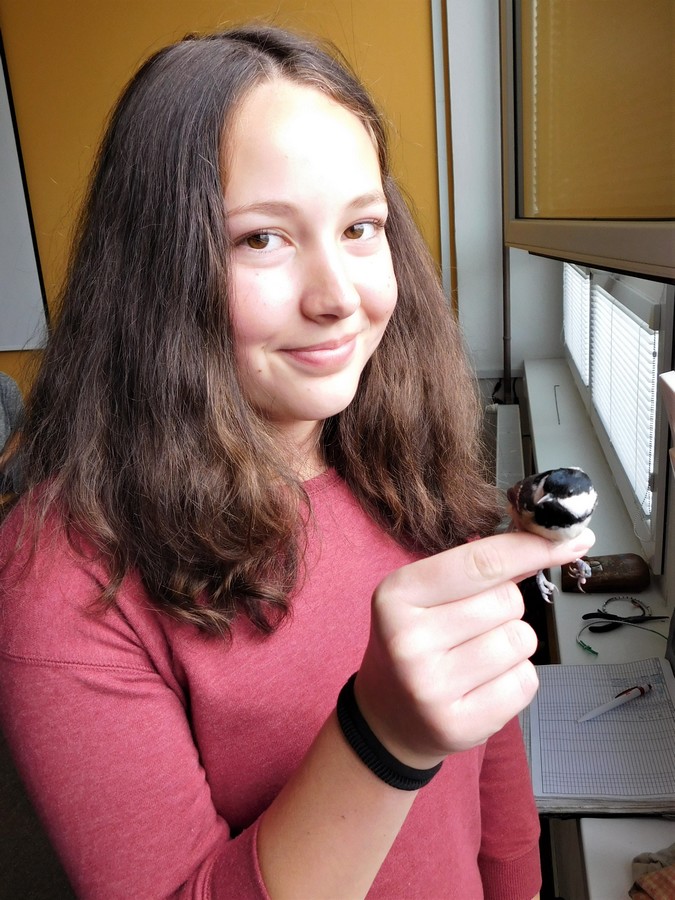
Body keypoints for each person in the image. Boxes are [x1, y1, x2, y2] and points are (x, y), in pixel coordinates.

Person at [0, 25, 594, 900]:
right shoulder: (65, 577)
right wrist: (381, 738)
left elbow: (486, 740)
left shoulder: (404, 466)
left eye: (360, 227)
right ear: (157, 271)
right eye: (261, 240)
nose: (338, 296)